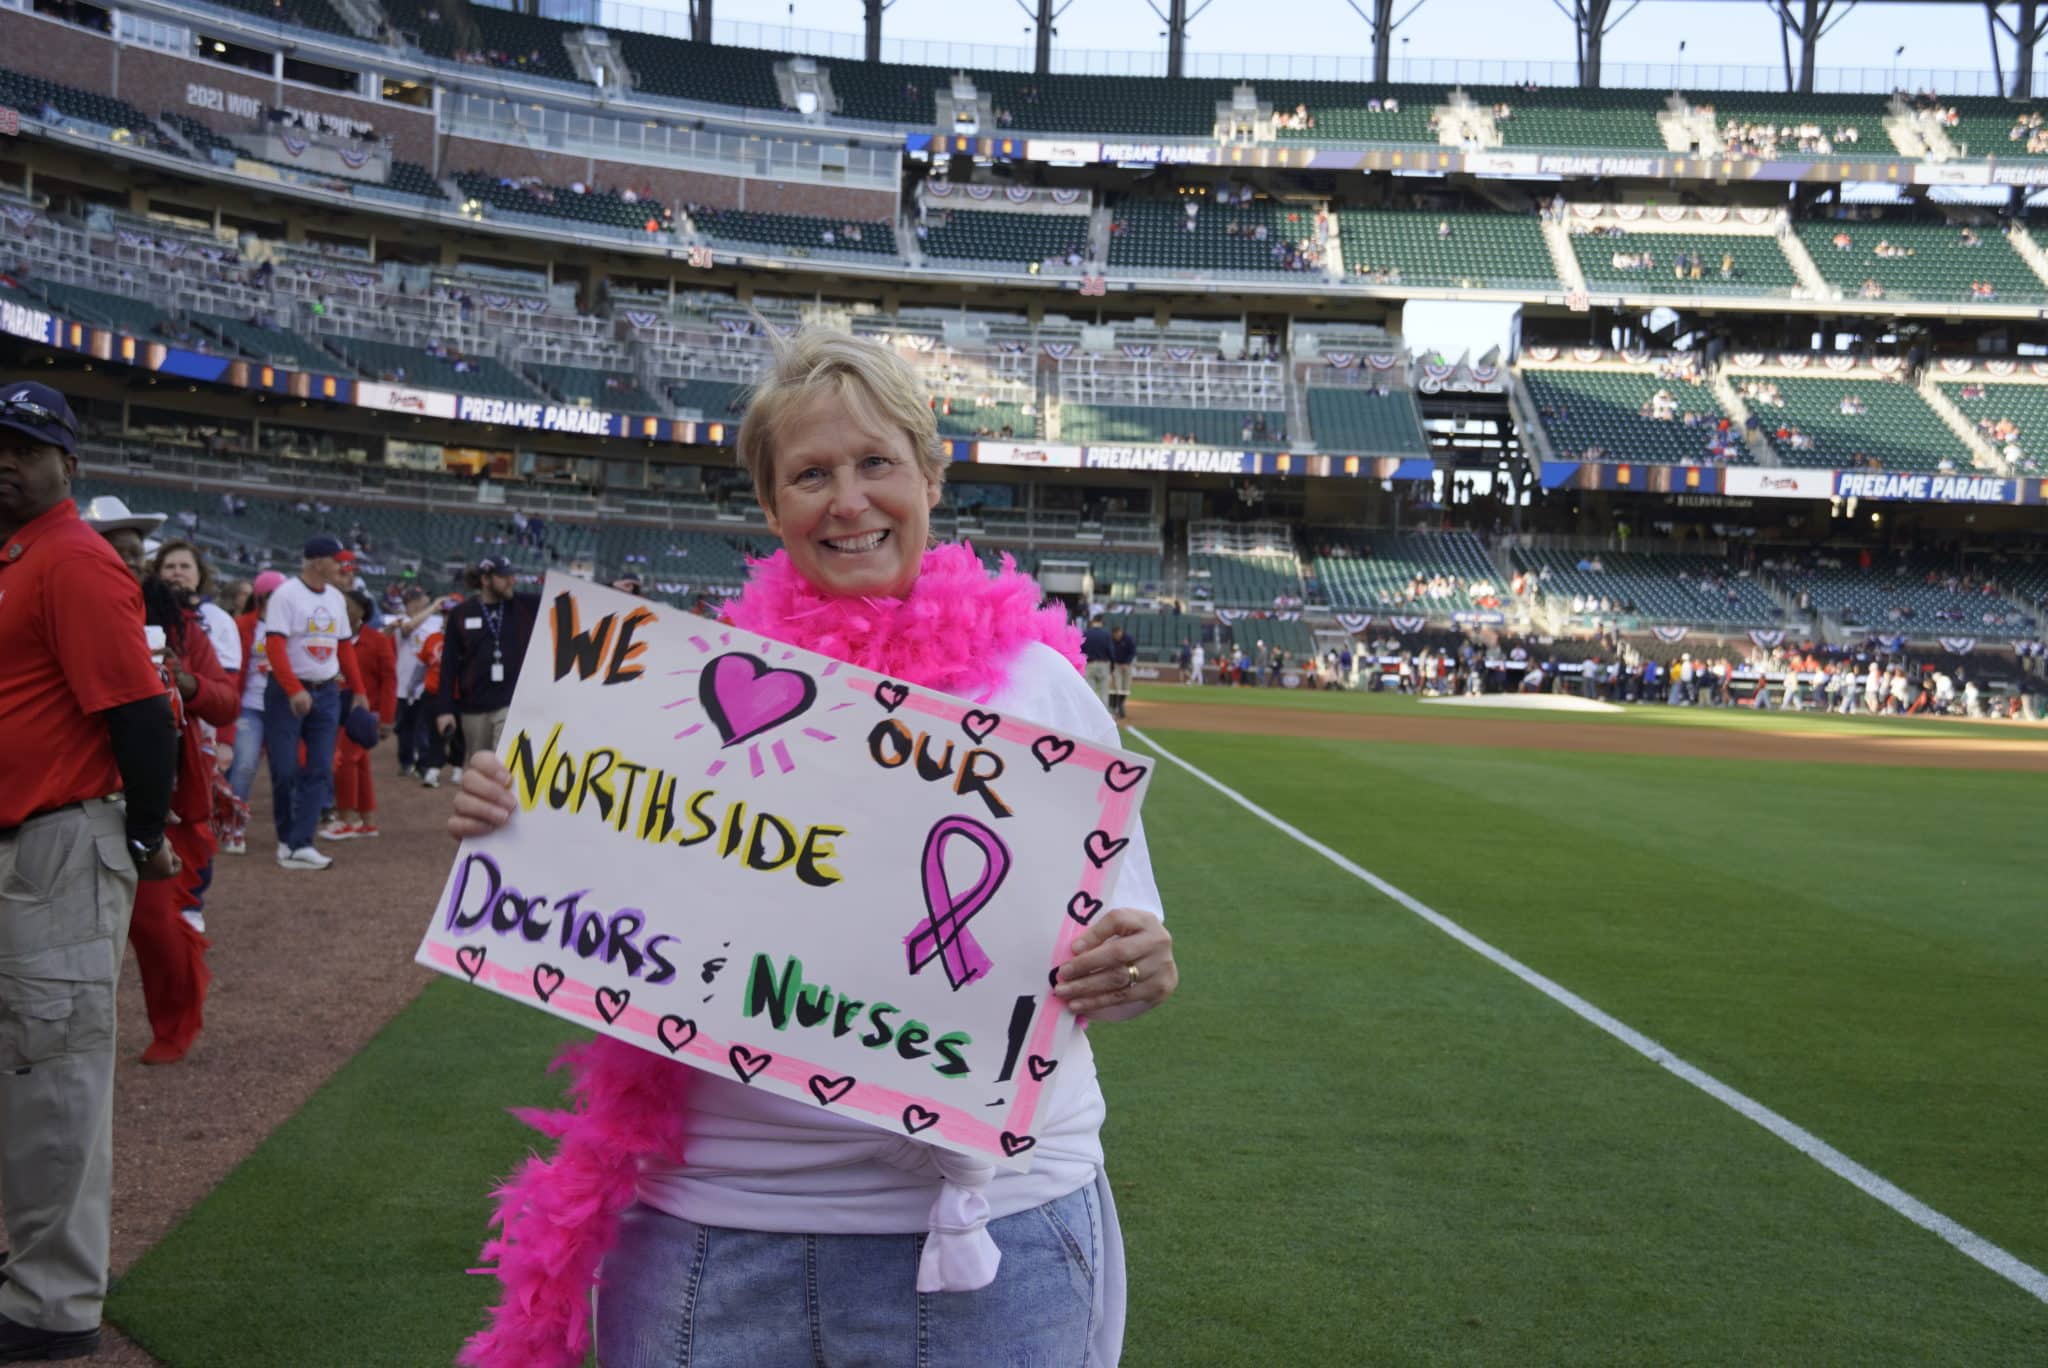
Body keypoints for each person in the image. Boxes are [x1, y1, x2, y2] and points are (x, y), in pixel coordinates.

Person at [447, 330, 1176, 1368]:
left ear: (930, 477)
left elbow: (1124, 945)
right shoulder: (672, 691)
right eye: (810, 474)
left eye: (877, 462)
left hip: (985, 1241)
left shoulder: (1042, 691)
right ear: (769, 504)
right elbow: (596, 919)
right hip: (709, 1234)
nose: (848, 501)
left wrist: (1137, 966)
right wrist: (520, 821)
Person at [0, 380, 178, 1362]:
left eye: (25, 447)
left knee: (53, 1074)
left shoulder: (72, 558)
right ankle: (33, 1269)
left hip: (59, 843)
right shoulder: (21, 555)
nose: (5, 460)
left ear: (67, 463)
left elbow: (141, 717)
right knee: (24, 1066)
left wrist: (143, 836)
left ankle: (53, 1306)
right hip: (23, 842)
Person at [84, 498, 237, 1064]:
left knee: (155, 923)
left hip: (160, 795)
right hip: (75, 787)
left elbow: (225, 702)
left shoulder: (180, 624)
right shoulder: (63, 610)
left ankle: (174, 1024)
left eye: (133, 554)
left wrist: (185, 681)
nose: (125, 563)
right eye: (112, 552)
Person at [263, 535, 370, 870]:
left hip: (327, 691)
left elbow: (344, 647)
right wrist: (294, 689)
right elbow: (274, 647)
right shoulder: (286, 594)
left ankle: (302, 843)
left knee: (321, 768)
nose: (343, 567)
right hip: (286, 693)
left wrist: (359, 690)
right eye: (337, 560)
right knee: (284, 770)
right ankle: (286, 838)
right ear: (318, 562)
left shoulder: (336, 598)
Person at [435, 556, 539, 760]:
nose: (512, 581)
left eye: (512, 575)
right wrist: (444, 709)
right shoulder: (461, 613)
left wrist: (603, 591)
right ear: (485, 580)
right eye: (504, 576)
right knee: (479, 764)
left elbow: (560, 598)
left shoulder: (522, 605)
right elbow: (448, 664)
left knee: (504, 763)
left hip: (510, 704)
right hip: (474, 706)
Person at [222, 569, 286, 855]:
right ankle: (234, 825)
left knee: (287, 769)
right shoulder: (243, 625)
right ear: (261, 597)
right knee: (244, 765)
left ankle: (291, 831)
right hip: (249, 705)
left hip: (281, 706)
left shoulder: (292, 625)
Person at [325, 588, 396, 839]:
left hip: (364, 712)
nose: (342, 609)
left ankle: (345, 820)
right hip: (337, 707)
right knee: (360, 765)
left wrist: (386, 718)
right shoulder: (332, 636)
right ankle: (368, 821)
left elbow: (389, 680)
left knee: (344, 761)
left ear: (361, 611)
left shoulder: (377, 640)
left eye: (347, 605)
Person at [1079, 613, 1113, 706]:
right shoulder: (1106, 634)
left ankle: (1090, 712)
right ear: (1101, 622)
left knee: (1090, 693)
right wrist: (1112, 667)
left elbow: (1081, 650)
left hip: (1089, 664)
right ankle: (1104, 714)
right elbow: (1111, 652)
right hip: (1103, 664)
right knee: (1104, 693)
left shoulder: (1086, 633)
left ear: (1093, 621)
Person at [1106, 621, 1136, 719]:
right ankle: (1116, 707)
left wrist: (1127, 663)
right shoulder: (1111, 640)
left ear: (1121, 632)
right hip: (1116, 665)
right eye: (1115, 635)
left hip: (1127, 665)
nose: (1117, 636)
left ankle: (1120, 704)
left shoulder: (1128, 639)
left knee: (1126, 688)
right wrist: (1113, 664)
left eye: (1118, 634)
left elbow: (1132, 652)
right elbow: (1109, 652)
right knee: (1116, 687)